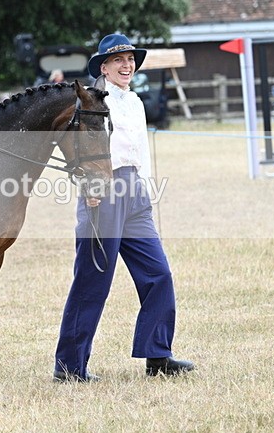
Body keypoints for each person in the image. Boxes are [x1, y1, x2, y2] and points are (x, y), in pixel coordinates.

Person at [53, 33, 194, 382]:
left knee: (158, 274)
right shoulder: (90, 101)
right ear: (104, 67)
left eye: (130, 59)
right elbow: (78, 149)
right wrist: (89, 186)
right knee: (92, 280)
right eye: (118, 60)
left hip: (135, 194)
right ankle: (69, 367)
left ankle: (158, 355)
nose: (127, 65)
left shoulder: (135, 102)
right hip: (103, 191)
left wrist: (145, 189)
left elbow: (140, 151)